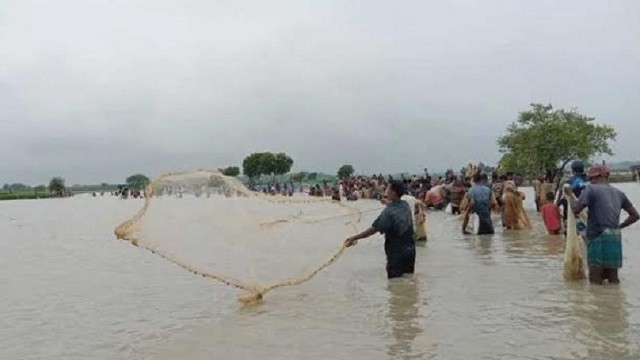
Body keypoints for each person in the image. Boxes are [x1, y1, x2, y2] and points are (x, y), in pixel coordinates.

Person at [564, 165, 639, 285]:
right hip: (614, 237)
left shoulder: (590, 189)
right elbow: (635, 216)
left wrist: (570, 195)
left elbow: (576, 209)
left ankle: (598, 302)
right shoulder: (619, 193)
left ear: (594, 177)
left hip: (597, 237)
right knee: (613, 279)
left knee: (595, 280)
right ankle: (614, 301)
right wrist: (620, 226)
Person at [345, 181, 416, 279]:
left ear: (393, 192)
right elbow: (395, 208)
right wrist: (387, 203)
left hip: (396, 253)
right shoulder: (405, 205)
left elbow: (374, 229)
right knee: (408, 279)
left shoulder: (388, 212)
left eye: (388, 189)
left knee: (395, 284)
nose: (386, 190)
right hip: (410, 251)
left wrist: (354, 237)